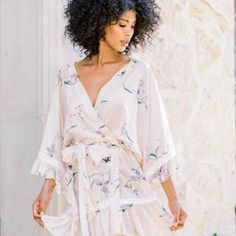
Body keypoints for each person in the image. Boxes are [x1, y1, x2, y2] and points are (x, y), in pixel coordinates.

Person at [31, 0, 187, 235]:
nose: (128, 32)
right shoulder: (67, 76)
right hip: (85, 193)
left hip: (125, 189)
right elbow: (57, 136)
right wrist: (46, 191)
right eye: (123, 24)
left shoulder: (139, 72)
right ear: (100, 21)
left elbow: (156, 138)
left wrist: (173, 199)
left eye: (133, 26)